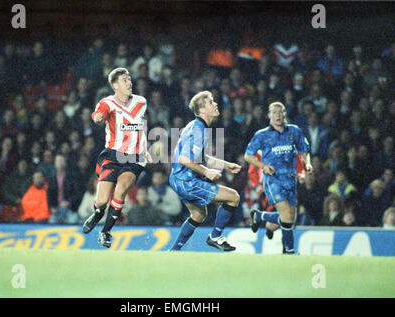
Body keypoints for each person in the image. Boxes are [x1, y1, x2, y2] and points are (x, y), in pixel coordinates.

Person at [82, 67, 151, 248]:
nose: (129, 82)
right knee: (103, 200)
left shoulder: (141, 102)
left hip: (135, 157)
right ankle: (98, 213)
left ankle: (105, 231)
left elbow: (141, 126)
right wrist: (98, 118)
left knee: (121, 191)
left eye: (129, 79)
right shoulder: (108, 103)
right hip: (113, 155)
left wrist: (146, 148)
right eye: (124, 80)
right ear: (115, 85)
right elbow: (99, 115)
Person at [168, 90, 241, 252]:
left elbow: (201, 157)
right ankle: (215, 237)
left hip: (176, 179)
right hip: (187, 181)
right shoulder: (199, 129)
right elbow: (185, 159)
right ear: (202, 110)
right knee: (233, 197)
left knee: (199, 215)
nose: (215, 104)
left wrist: (226, 164)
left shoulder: (195, 126)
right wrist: (207, 172)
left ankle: (173, 251)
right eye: (210, 102)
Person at [244, 101, 313, 254]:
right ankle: (289, 251)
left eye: (280, 112)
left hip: (291, 179)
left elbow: (304, 150)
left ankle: (259, 216)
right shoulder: (262, 135)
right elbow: (248, 156)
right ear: (269, 115)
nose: (278, 115)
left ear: (284, 114)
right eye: (274, 112)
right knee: (286, 216)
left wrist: (307, 164)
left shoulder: (294, 131)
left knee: (290, 218)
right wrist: (263, 166)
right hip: (273, 179)